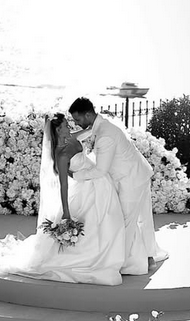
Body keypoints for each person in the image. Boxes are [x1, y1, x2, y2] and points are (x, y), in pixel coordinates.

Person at [0, 113, 126, 288]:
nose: (69, 128)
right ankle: (92, 260)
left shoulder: (71, 138)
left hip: (97, 186)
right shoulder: (61, 155)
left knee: (106, 221)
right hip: (84, 190)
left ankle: (109, 257)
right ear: (57, 131)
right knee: (92, 224)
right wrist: (66, 212)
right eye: (65, 126)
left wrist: (101, 125)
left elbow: (88, 132)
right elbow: (63, 186)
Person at [68, 97, 168, 275]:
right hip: (138, 173)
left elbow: (100, 170)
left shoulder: (105, 135)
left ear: (88, 114)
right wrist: (67, 137)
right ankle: (148, 257)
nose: (76, 123)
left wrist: (74, 175)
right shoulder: (101, 124)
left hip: (131, 179)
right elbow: (87, 132)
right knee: (142, 219)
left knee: (126, 222)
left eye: (78, 119)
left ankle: (122, 264)